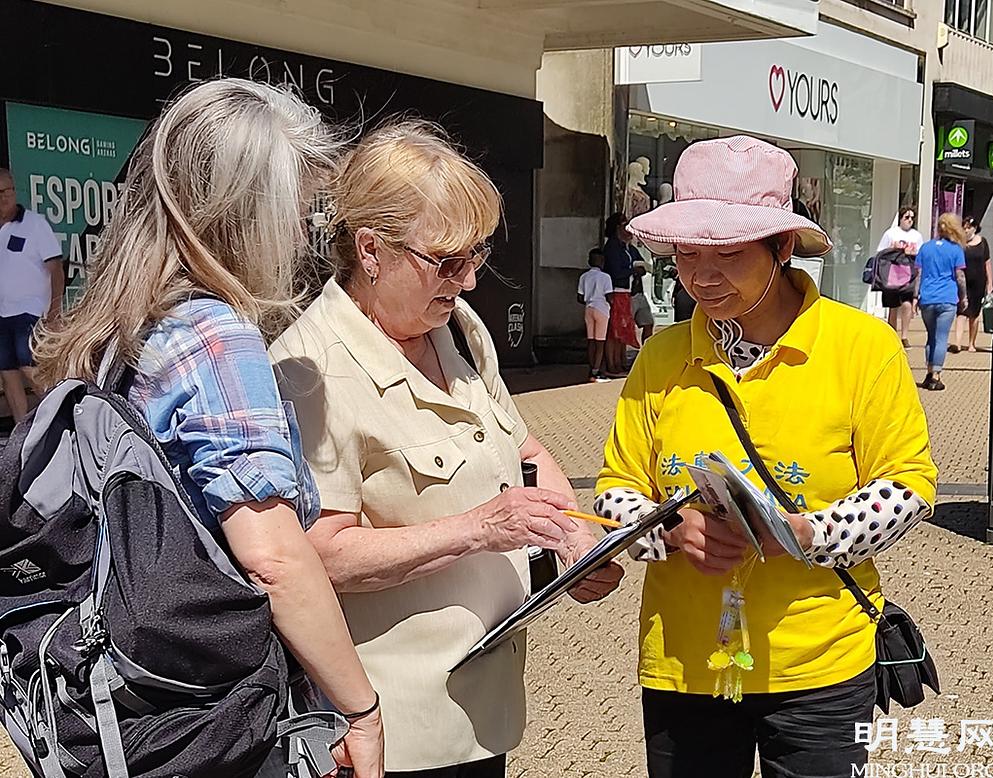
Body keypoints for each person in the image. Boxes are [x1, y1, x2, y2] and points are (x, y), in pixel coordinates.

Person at [32, 79, 385, 777]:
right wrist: (360, 708)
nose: (298, 235)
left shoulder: (114, 328)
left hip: (135, 698)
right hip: (218, 711)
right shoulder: (214, 339)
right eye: (294, 209)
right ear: (247, 212)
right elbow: (274, 559)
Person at [270, 120, 624, 778]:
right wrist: (476, 530)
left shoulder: (459, 328)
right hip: (390, 729)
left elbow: (528, 448)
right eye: (447, 260)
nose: (468, 280)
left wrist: (573, 543)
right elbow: (316, 557)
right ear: (371, 250)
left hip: (481, 708)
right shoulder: (308, 369)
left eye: (478, 254)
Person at [594, 136, 936, 778]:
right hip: (683, 665)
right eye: (687, 255)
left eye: (726, 254)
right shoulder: (662, 355)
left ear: (782, 248)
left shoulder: (861, 347)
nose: (701, 276)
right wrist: (669, 528)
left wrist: (810, 534)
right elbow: (615, 488)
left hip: (822, 664)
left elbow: (908, 484)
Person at [0, 168, 64, 421]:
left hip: (30, 312)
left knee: (31, 369)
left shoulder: (34, 225)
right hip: (1, 313)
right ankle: (22, 432)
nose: (4, 196)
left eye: (8, 190)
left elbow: (56, 269)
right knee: (8, 373)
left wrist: (55, 310)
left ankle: (61, 416)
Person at [916, 213, 968, 391]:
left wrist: (916, 296)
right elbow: (960, 277)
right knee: (941, 338)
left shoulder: (925, 248)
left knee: (931, 336)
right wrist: (964, 297)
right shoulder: (955, 250)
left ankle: (929, 372)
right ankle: (936, 375)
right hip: (947, 298)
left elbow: (919, 275)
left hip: (927, 297)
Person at [876, 206, 923, 347]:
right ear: (900, 219)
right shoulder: (891, 234)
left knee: (907, 304)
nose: (910, 220)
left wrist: (912, 253)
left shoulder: (916, 236)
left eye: (912, 218)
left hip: (908, 273)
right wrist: (894, 248)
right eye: (907, 217)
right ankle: (892, 333)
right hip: (892, 272)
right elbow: (880, 252)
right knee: (892, 306)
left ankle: (904, 335)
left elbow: (921, 254)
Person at [603, 212, 641, 374]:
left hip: (626, 291)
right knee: (613, 331)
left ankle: (619, 360)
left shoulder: (627, 248)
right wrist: (633, 270)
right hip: (616, 291)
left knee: (621, 329)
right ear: (618, 227)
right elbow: (616, 271)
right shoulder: (612, 247)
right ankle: (612, 363)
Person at [950, 216, 993, 353]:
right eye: (964, 227)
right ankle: (957, 343)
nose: (966, 230)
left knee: (974, 314)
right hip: (962, 282)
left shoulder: (983, 242)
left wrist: (989, 283)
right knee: (961, 312)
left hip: (978, 283)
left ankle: (971, 344)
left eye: (969, 227)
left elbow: (987, 263)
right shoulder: (959, 244)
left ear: (975, 228)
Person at [578, 246, 613, 381]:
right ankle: (596, 371)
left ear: (589, 261)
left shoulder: (584, 277)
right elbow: (609, 296)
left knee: (591, 341)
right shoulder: (605, 277)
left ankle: (590, 367)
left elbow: (579, 297)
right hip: (601, 309)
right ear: (602, 261)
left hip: (589, 308)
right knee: (600, 342)